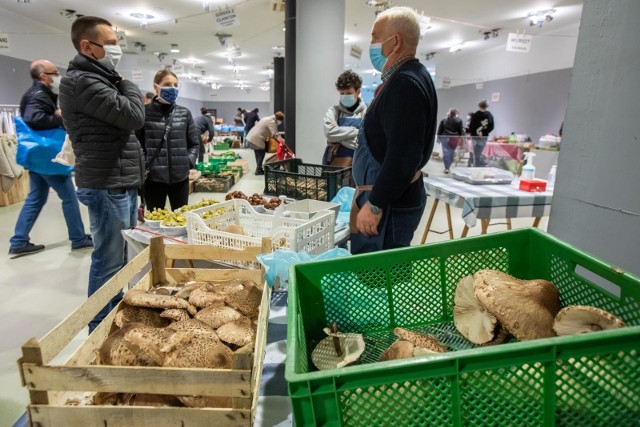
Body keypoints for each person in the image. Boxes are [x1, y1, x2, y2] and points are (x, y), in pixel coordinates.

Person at [59, 16, 145, 333]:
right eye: (110, 43)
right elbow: (134, 115)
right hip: (107, 182)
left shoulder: (100, 79)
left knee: (120, 259)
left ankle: (114, 315)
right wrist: (127, 83)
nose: (116, 48)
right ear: (87, 46)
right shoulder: (83, 82)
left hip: (118, 179)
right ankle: (99, 329)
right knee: (108, 260)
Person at [351, 7, 437, 254]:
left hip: (389, 206)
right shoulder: (408, 76)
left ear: (395, 41)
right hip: (386, 199)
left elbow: (403, 156)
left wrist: (375, 204)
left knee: (381, 280)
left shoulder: (405, 83)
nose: (371, 44)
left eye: (375, 37)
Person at [9, 60, 93, 257]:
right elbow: (34, 119)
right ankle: (78, 238)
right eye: (55, 73)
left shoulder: (37, 93)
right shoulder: (37, 94)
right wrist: (58, 115)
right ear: (43, 76)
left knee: (36, 198)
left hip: (39, 158)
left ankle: (19, 240)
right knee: (69, 197)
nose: (58, 76)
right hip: (48, 158)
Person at [136, 70, 199, 212]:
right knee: (155, 220)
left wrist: (187, 161)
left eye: (175, 85)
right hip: (154, 178)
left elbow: (194, 143)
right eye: (167, 84)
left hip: (180, 178)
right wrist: (145, 162)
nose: (172, 88)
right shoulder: (144, 113)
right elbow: (137, 144)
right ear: (156, 87)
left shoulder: (184, 113)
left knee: (182, 218)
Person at [322, 70, 367, 166]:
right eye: (342, 93)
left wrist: (338, 136)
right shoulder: (334, 111)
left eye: (348, 93)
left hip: (356, 164)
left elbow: (364, 140)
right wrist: (356, 131)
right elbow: (329, 133)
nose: (344, 96)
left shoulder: (366, 113)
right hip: (333, 164)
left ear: (358, 91)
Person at [246, 111, 284, 175]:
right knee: (261, 153)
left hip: (251, 136)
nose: (280, 122)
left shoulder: (266, 118)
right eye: (281, 120)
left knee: (258, 154)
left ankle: (259, 169)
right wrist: (282, 141)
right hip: (257, 138)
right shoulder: (272, 122)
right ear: (278, 118)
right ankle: (258, 170)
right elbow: (275, 134)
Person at [467, 100, 494, 167]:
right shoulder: (489, 115)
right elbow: (491, 126)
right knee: (479, 153)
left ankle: (475, 164)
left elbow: (471, 126)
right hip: (483, 137)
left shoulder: (475, 115)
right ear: (486, 106)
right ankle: (478, 165)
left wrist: (476, 133)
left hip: (475, 137)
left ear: (479, 105)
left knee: (474, 153)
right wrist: (484, 132)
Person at [437, 108, 464, 173]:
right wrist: (460, 138)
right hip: (454, 138)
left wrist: (438, 138)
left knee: (446, 153)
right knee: (451, 152)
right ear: (456, 113)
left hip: (444, 138)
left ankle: (447, 167)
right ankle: (448, 166)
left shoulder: (443, 120)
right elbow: (460, 131)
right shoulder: (459, 121)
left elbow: (440, 130)